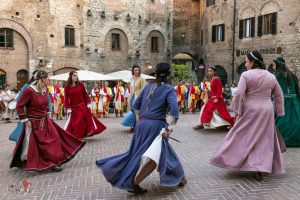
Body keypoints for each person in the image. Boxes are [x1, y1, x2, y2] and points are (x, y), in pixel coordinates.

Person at [96, 63, 186, 194]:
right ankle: (132, 182)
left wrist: (144, 117)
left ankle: (179, 176)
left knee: (159, 150)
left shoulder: (148, 86)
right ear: (169, 73)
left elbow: (136, 106)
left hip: (142, 124)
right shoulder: (169, 89)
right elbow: (174, 112)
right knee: (147, 155)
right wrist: (169, 127)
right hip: (155, 126)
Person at [210, 51, 286, 181]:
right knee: (264, 138)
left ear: (252, 62)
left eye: (246, 61)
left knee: (242, 134)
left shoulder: (246, 75)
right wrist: (279, 111)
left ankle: (238, 160)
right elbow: (279, 94)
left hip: (250, 109)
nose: (245, 64)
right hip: (266, 109)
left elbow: (239, 94)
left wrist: (235, 109)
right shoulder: (271, 76)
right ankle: (260, 166)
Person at [10, 70, 86, 172]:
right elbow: (19, 105)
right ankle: (49, 163)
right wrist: (25, 120)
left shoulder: (45, 89)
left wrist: (49, 112)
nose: (49, 80)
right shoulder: (29, 91)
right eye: (47, 78)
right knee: (39, 145)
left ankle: (53, 162)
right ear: (41, 79)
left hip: (45, 120)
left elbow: (46, 102)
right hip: (33, 123)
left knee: (55, 138)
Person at [64, 71, 106, 139]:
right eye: (74, 75)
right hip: (73, 108)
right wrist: (68, 108)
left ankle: (78, 136)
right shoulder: (67, 87)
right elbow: (66, 98)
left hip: (82, 106)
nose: (76, 77)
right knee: (74, 123)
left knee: (79, 121)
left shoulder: (80, 84)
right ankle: (79, 135)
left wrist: (88, 103)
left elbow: (85, 94)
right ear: (71, 76)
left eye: (76, 76)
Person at [273, 57, 300, 147]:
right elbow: (297, 90)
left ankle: (282, 140)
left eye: (273, 65)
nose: (273, 67)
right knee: (295, 122)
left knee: (283, 122)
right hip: (294, 102)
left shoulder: (276, 75)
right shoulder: (292, 74)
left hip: (283, 102)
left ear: (278, 65)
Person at [9, 70, 39, 142]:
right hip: (27, 110)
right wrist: (21, 111)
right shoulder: (27, 86)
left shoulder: (40, 86)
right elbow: (20, 98)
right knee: (23, 127)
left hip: (36, 112)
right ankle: (19, 141)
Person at [121, 65, 146, 133]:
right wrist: (129, 98)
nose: (136, 72)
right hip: (132, 98)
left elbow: (144, 90)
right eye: (135, 70)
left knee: (137, 114)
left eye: (138, 70)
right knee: (132, 113)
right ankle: (132, 127)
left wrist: (142, 99)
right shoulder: (131, 78)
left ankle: (138, 128)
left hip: (138, 98)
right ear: (133, 71)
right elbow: (131, 89)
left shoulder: (142, 79)